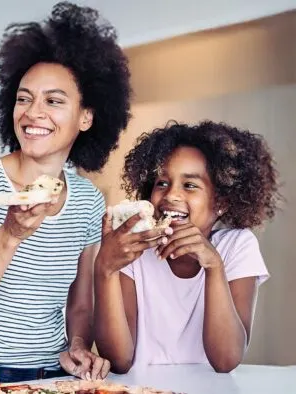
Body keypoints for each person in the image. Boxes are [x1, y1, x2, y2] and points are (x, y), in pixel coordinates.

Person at [0, 2, 132, 385]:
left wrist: (78, 345)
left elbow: (80, 304)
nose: (32, 112)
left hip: (50, 378)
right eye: (24, 98)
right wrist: (9, 236)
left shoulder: (88, 201)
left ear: (86, 117)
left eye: (54, 101)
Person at [94, 120, 280, 373]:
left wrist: (214, 266)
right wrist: (105, 268)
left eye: (190, 185)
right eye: (161, 183)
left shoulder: (237, 245)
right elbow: (119, 360)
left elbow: (226, 360)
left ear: (221, 202)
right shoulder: (135, 249)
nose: (171, 195)